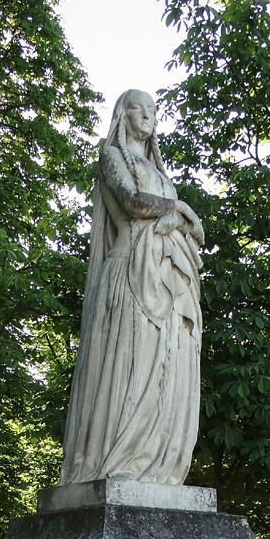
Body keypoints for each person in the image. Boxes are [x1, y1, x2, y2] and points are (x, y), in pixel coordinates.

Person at [60, 89, 205, 486]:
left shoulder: (160, 174)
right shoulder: (112, 158)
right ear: (124, 114)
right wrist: (180, 209)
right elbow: (133, 203)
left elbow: (200, 235)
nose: (149, 115)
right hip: (131, 274)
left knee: (167, 367)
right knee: (132, 366)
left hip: (171, 279)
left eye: (153, 109)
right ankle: (117, 457)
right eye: (139, 107)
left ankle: (156, 462)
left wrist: (183, 216)